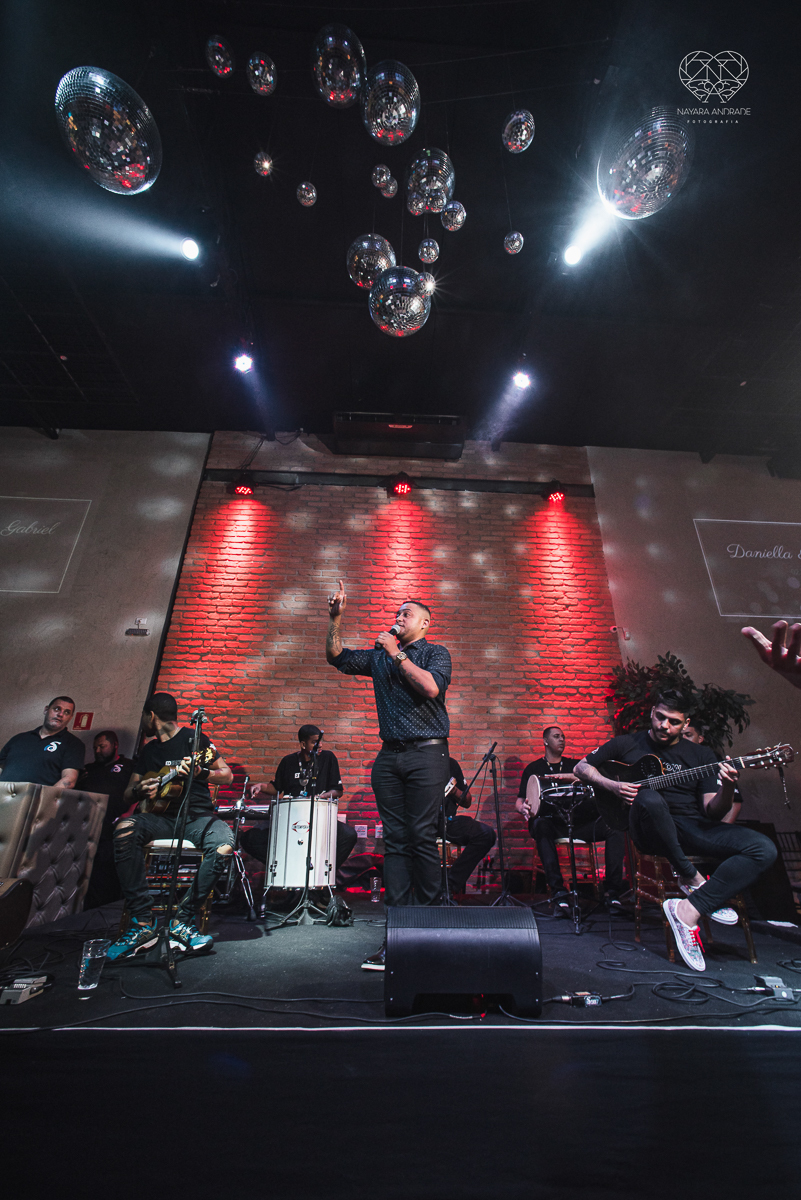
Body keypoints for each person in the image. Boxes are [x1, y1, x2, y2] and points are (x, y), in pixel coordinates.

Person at [573, 689, 777, 972]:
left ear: (685, 723)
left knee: (764, 848)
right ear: (652, 712)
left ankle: (688, 909)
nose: (664, 726)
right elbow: (582, 767)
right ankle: (691, 877)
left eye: (674, 721)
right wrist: (614, 786)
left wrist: (728, 786)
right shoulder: (626, 743)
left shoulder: (702, 754)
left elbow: (712, 811)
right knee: (649, 797)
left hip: (692, 826)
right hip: (648, 829)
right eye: (660, 717)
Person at [326, 580, 451, 971]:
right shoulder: (378, 657)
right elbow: (336, 657)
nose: (398, 618)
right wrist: (336, 618)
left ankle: (429, 935)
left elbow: (430, 688)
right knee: (395, 842)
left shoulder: (435, 653)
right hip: (390, 758)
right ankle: (395, 937)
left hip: (427, 754)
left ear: (425, 623)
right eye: (397, 613)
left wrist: (396, 653)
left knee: (422, 838)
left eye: (406, 614)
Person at [106, 693, 233, 960]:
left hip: (197, 818)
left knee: (223, 845)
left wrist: (202, 773)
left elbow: (227, 775)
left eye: (143, 717)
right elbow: (128, 794)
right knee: (124, 828)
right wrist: (140, 789)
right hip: (161, 819)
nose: (142, 722)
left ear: (150, 715)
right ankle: (142, 922)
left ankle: (182, 921)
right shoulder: (150, 751)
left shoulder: (194, 740)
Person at [516, 726, 626, 909]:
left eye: (563, 736)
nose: (562, 740)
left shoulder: (576, 767)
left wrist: (573, 777)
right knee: (540, 825)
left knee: (614, 827)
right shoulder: (534, 768)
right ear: (545, 741)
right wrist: (523, 808)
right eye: (556, 736)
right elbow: (519, 801)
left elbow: (597, 779)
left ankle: (612, 892)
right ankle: (558, 891)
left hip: (579, 823)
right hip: (552, 824)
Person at [242, 724, 358, 880]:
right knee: (250, 839)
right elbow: (277, 788)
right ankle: (287, 870)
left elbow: (337, 791)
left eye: (321, 741)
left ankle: (321, 876)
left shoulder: (328, 758)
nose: (320, 745)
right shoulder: (288, 762)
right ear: (303, 744)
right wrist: (260, 786)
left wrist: (319, 797)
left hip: (319, 817)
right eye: (315, 742)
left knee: (348, 835)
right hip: (290, 819)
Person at [79, 730, 134, 909]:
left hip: (111, 829)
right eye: (95, 747)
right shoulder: (89, 769)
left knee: (105, 877)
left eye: (102, 746)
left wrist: (130, 813)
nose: (98, 751)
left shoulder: (128, 766)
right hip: (84, 828)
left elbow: (140, 793)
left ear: (115, 745)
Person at [0, 696, 84, 788]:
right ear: (46, 710)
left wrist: (45, 800)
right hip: (3, 796)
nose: (60, 714)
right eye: (57, 709)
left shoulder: (73, 744)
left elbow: (69, 780)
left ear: (70, 717)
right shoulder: (19, 738)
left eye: (67, 712)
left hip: (37, 800)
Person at [441, 756, 496, 896]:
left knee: (486, 834)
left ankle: (450, 884)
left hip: (447, 821)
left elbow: (467, 801)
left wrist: (453, 791)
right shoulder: (416, 761)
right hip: (421, 821)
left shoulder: (450, 763)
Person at [683, 722, 742, 824]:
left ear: (700, 739)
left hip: (705, 826)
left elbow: (735, 803)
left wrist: (721, 831)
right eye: (680, 736)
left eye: (688, 735)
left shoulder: (712, 760)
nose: (683, 739)